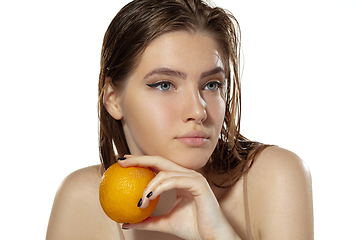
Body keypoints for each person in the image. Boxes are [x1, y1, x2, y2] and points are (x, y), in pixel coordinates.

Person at [46, 0, 314, 239]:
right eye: (164, 84)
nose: (198, 112)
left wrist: (218, 235)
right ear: (113, 99)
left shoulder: (273, 177)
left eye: (211, 85)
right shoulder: (82, 198)